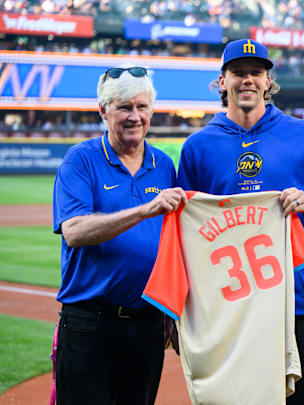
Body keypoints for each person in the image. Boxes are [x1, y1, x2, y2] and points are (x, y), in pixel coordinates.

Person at [176, 38, 304, 405]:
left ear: (268, 81)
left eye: (256, 72)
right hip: (227, 299)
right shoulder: (198, 146)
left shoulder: (302, 136)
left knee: (294, 397)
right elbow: (182, 233)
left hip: (291, 296)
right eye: (238, 73)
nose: (247, 80)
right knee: (231, 397)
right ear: (222, 81)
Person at [52, 66, 186, 404]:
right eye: (124, 107)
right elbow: (75, 231)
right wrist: (144, 209)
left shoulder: (163, 165)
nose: (135, 117)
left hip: (147, 323)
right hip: (89, 323)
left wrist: (172, 311)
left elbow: (172, 245)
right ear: (103, 110)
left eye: (142, 107)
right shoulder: (80, 160)